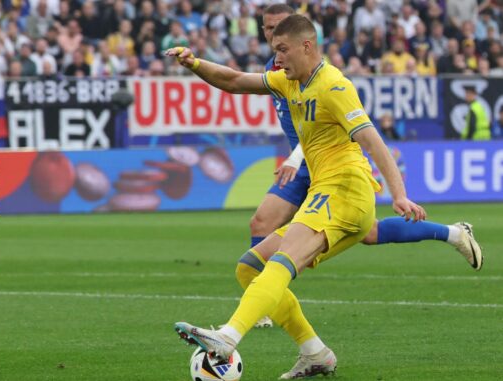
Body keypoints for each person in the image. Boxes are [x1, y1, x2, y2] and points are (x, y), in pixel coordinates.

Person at [165, 14, 463, 379]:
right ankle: (315, 352)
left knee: (281, 262)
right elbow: (233, 80)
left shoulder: (334, 86)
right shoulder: (289, 82)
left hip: (344, 190)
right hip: (328, 193)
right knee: (250, 266)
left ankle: (227, 337)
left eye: (282, 49)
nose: (277, 59)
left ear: (306, 46)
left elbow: (374, 141)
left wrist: (398, 195)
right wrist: (194, 63)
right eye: (274, 50)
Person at [248, 5, 482, 335]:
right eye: (266, 28)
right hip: (306, 164)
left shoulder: (318, 73)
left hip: (321, 164)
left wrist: (294, 158)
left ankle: (453, 233)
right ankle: (265, 303)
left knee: (365, 233)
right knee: (265, 221)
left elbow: (323, 125)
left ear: (299, 36)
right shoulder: (276, 67)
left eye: (276, 28)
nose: (271, 34)